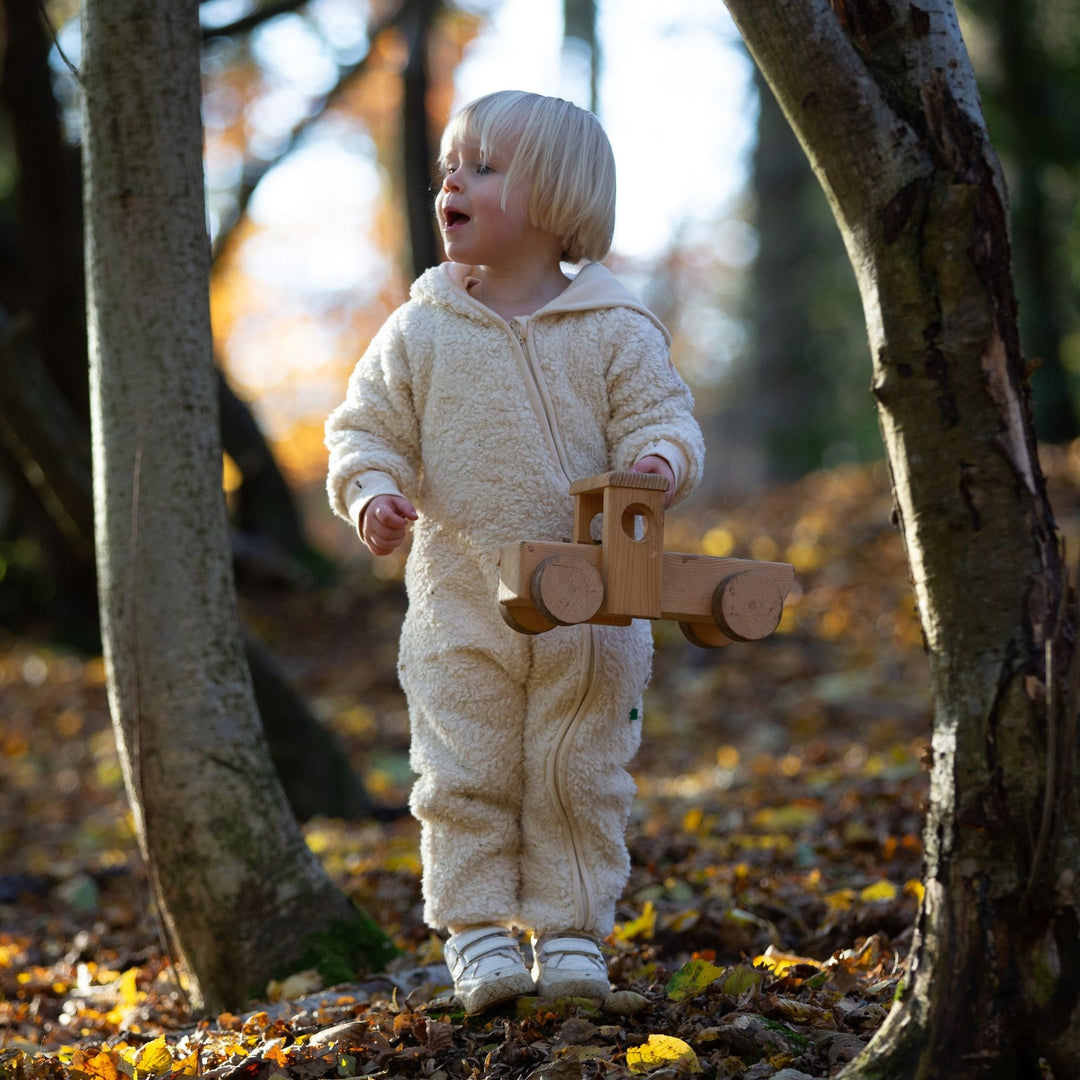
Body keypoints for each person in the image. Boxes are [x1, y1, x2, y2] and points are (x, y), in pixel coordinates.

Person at [325, 90, 705, 1013]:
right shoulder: (419, 329)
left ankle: (573, 935)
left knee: (581, 771)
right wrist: (371, 492)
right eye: (448, 166)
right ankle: (479, 934)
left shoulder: (617, 329)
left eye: (482, 166)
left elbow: (665, 420)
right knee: (462, 771)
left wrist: (658, 462)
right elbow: (361, 429)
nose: (450, 179)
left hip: (595, 610)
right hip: (459, 603)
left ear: (555, 198)